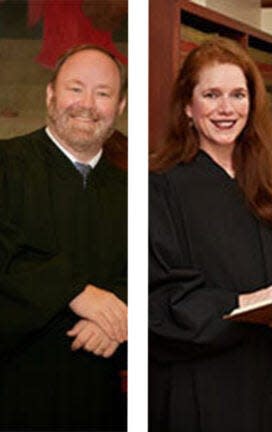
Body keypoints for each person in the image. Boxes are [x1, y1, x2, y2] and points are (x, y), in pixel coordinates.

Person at [148, 38, 272, 432]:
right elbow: (158, 299)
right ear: (188, 107)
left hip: (269, 375)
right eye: (212, 94)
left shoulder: (269, 182)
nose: (227, 108)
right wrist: (242, 302)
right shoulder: (162, 186)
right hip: (202, 384)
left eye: (238, 94)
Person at [0, 45, 128, 430]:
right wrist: (74, 291)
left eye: (103, 94)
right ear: (51, 95)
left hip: (99, 394)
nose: (87, 104)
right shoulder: (6, 165)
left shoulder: (135, 190)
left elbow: (152, 268)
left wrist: (116, 314)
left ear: (120, 107)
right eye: (76, 88)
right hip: (15, 390)